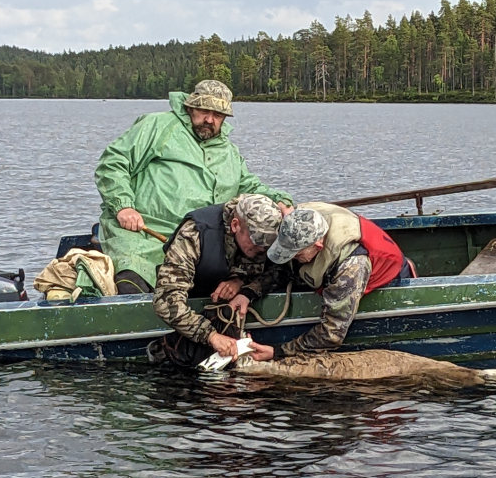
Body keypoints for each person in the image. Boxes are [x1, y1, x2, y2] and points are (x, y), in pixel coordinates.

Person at [95, 79, 292, 294]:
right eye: (203, 111)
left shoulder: (229, 151)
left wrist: (281, 200)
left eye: (217, 115)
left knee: (256, 273)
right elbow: (113, 163)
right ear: (190, 106)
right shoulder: (157, 126)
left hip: (200, 241)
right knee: (132, 280)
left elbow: (248, 185)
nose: (209, 119)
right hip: (145, 233)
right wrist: (124, 206)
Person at [254, 202, 413, 361]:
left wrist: (279, 352)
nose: (291, 258)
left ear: (317, 245)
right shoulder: (301, 219)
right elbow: (282, 267)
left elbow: (332, 334)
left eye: (296, 254)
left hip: (386, 277)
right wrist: (248, 292)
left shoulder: (350, 267)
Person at [151, 194, 288, 366]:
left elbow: (281, 270)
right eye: (256, 241)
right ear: (235, 225)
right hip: (195, 303)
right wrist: (211, 336)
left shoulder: (267, 234)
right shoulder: (194, 234)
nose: (262, 248)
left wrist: (245, 288)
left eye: (268, 244)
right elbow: (165, 300)